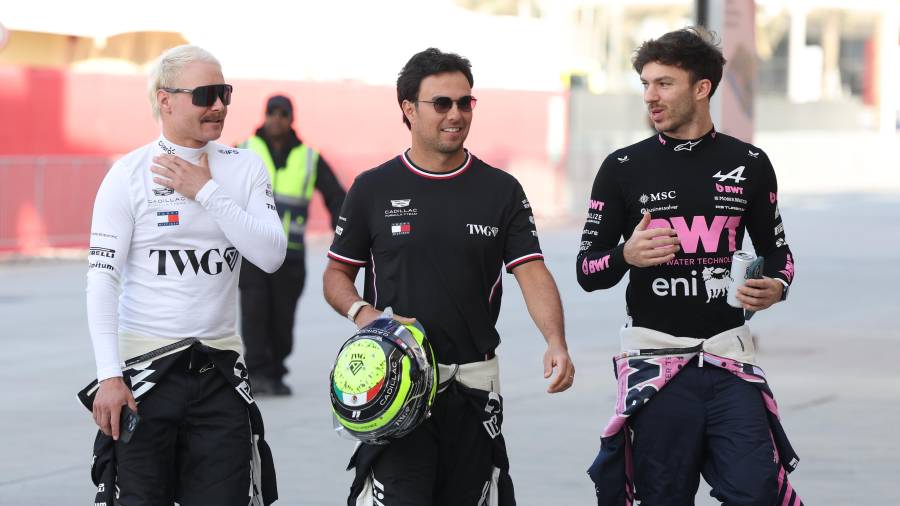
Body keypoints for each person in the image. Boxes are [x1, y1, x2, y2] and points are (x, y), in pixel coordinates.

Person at [323, 47, 575, 505]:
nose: (456, 114)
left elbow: (531, 270)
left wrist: (555, 341)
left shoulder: (501, 190)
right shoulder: (373, 188)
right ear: (408, 109)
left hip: (475, 389)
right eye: (442, 103)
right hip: (396, 387)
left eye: (465, 102)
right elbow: (337, 273)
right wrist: (366, 315)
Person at [577, 28, 801, 505]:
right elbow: (587, 270)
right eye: (645, 84)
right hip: (655, 364)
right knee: (662, 498)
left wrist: (777, 285)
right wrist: (624, 255)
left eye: (664, 84)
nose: (650, 97)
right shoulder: (622, 167)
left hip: (730, 361)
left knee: (756, 491)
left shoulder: (750, 163)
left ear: (702, 88)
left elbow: (779, 252)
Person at [82, 44, 285, 505]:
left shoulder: (243, 166)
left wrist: (206, 191)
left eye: (224, 93)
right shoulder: (127, 175)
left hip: (221, 376)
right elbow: (101, 279)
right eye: (205, 94)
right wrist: (109, 376)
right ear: (165, 99)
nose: (217, 106)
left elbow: (271, 255)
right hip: (145, 378)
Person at [238, 94, 345, 396]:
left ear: (291, 119)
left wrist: (345, 233)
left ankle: (275, 372)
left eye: (283, 113)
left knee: (283, 319)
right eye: (272, 112)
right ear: (265, 115)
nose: (277, 118)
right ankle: (256, 373)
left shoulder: (309, 157)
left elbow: (337, 197)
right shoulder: (244, 150)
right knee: (255, 314)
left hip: (290, 256)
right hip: (253, 253)